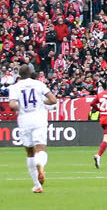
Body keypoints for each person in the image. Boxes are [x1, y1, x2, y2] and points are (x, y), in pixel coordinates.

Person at [8, 65, 57, 193]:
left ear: (19, 74)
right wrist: (41, 102)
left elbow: (12, 105)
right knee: (40, 148)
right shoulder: (38, 84)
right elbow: (53, 100)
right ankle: (40, 165)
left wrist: (21, 108)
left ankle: (37, 185)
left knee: (30, 152)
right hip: (39, 119)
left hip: (25, 121)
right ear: (31, 73)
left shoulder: (15, 87)